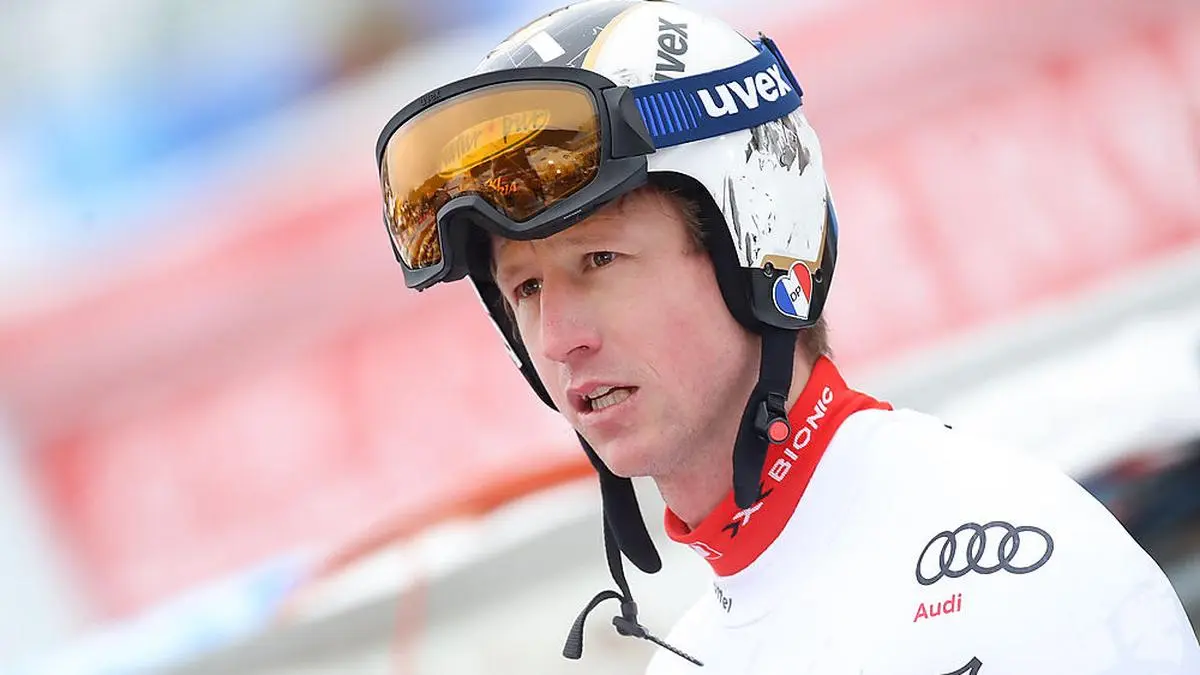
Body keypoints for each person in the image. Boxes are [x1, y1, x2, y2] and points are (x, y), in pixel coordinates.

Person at [373, 1, 1200, 672]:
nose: (559, 339)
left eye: (600, 259)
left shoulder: (1002, 566)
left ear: (758, 242)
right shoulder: (694, 652)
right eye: (525, 289)